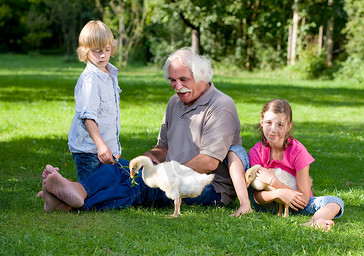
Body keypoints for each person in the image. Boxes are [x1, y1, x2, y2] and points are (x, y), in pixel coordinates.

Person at [39, 47, 252, 216]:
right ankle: (78, 190)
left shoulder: (221, 105)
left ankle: (75, 205)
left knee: (145, 184)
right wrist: (145, 160)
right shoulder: (175, 102)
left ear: (201, 76)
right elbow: (163, 148)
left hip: (208, 186)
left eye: (183, 79)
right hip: (174, 172)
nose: (177, 86)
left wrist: (164, 173)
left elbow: (209, 162)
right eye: (172, 80)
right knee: (119, 167)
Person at [248, 99, 344, 231]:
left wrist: (275, 182)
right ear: (261, 122)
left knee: (335, 202)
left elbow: (304, 199)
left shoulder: (298, 151)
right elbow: (257, 197)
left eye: (280, 125)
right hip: (268, 203)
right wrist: (278, 194)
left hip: (296, 204)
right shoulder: (256, 152)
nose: (273, 129)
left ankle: (314, 222)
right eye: (269, 123)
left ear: (289, 126)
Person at [68, 20, 122, 181]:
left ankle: (61, 190)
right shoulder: (89, 80)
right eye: (97, 51)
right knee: (92, 197)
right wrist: (101, 146)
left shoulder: (110, 74)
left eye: (107, 49)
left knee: (109, 188)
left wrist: (112, 147)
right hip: (89, 151)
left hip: (107, 149)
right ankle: (55, 190)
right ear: (85, 52)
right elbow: (88, 117)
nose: (103, 55)